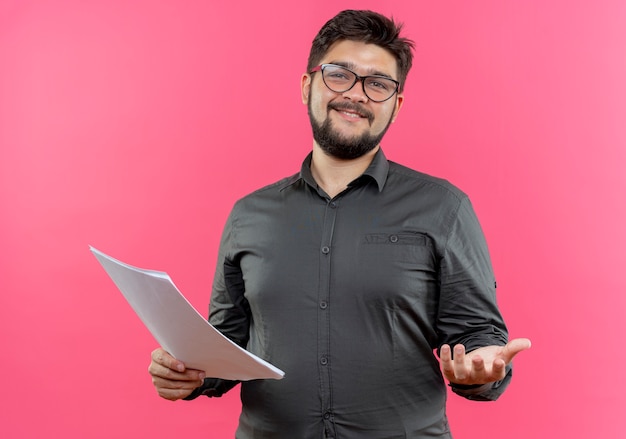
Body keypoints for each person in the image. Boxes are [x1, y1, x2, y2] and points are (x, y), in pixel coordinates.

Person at [148, 9, 531, 439]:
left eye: (378, 84)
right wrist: (189, 372)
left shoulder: (444, 208)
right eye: (339, 75)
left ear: (396, 105)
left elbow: (478, 335)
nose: (357, 94)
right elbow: (228, 342)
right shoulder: (248, 215)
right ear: (307, 85)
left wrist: (480, 369)